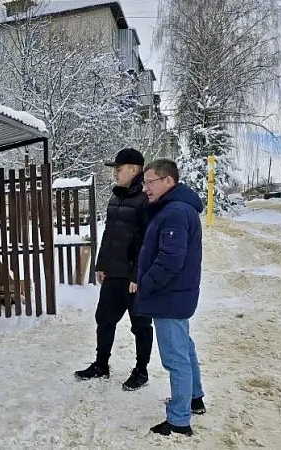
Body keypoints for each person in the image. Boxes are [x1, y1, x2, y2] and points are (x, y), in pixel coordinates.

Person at [136, 159, 206, 437]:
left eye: (149, 182)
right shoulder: (177, 208)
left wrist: (146, 284)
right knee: (185, 348)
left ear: (168, 181)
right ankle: (194, 398)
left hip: (169, 296)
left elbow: (170, 260)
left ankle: (178, 420)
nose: (145, 188)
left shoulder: (175, 211)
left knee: (175, 358)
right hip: (176, 295)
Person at [75, 148, 153, 392]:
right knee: (104, 320)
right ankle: (101, 364)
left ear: (134, 169)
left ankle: (141, 370)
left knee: (140, 325)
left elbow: (147, 242)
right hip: (113, 273)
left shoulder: (146, 198)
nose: (115, 174)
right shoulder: (115, 197)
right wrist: (101, 264)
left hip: (133, 278)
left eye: (118, 169)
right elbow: (109, 234)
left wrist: (137, 275)